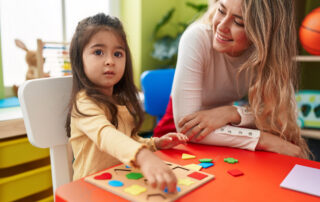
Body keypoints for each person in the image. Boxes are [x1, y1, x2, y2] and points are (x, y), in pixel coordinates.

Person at [155, 0, 312, 159]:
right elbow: (187, 129)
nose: (222, 26)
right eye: (221, 11)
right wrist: (264, 139)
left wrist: (234, 113)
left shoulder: (263, 54)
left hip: (224, 136)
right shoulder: (197, 37)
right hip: (176, 140)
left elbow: (285, 113)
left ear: (261, 34)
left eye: (238, 22)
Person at [65, 13, 188, 193]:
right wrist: (143, 156)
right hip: (89, 190)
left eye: (118, 53)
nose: (110, 61)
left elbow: (128, 139)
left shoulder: (121, 101)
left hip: (120, 183)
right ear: (79, 59)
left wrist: (154, 144)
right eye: (98, 52)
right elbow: (107, 136)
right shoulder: (84, 103)